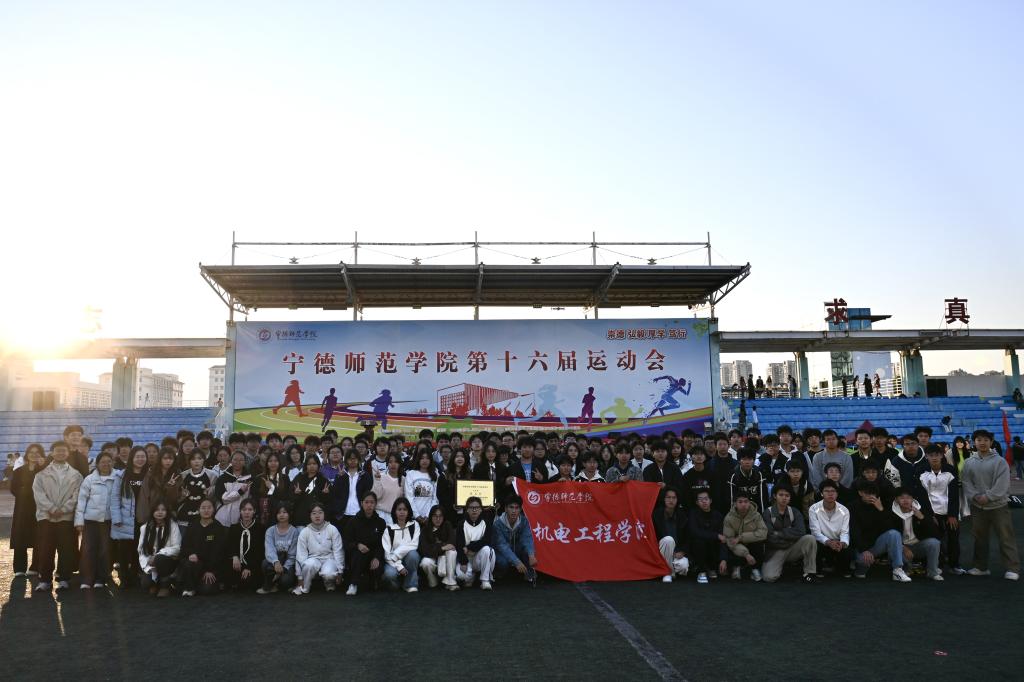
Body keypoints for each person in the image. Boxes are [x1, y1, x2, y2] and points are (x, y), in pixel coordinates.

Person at [961, 429, 1020, 580]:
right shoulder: (969, 462)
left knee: (1006, 537)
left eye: (986, 440)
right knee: (979, 538)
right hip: (977, 507)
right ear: (974, 442)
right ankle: (980, 567)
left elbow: (1002, 484)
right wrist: (975, 496)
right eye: (979, 440)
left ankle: (1012, 569)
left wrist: (988, 497)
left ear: (991, 442)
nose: (982, 443)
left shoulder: (1000, 461)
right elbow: (966, 482)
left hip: (998, 506)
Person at [32, 441, 83, 592]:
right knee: (45, 550)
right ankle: (44, 580)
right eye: (57, 450)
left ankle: (64, 579)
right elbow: (38, 494)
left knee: (66, 549)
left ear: (68, 453)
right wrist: (52, 508)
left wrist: (64, 509)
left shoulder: (76, 475)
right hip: (46, 517)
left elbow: (77, 496)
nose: (61, 453)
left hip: (66, 518)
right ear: (52, 453)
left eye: (63, 451)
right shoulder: (41, 474)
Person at [850, 481, 911, 582]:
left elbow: (890, 528)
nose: (871, 496)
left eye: (873, 494)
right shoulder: (852, 507)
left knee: (894, 534)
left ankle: (897, 569)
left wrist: (881, 509)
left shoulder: (879, 505)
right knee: (862, 569)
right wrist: (863, 549)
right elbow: (853, 531)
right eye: (867, 493)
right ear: (860, 493)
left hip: (875, 545)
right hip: (859, 547)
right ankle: (859, 570)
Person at [74, 451, 117, 589]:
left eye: (109, 461)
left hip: (108, 521)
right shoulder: (89, 479)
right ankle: (86, 579)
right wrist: (79, 521)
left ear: (113, 462)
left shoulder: (118, 478)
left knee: (105, 551)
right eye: (103, 462)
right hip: (91, 521)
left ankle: (100, 578)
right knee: (88, 550)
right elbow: (81, 501)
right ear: (97, 464)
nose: (106, 464)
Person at [919, 443, 963, 574]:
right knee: (934, 538)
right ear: (926, 456)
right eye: (931, 455)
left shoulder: (950, 470)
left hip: (949, 511)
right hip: (931, 512)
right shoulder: (920, 470)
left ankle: (954, 565)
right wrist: (929, 515)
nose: (934, 458)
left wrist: (952, 514)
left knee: (953, 539)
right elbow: (922, 496)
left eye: (937, 455)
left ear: (942, 455)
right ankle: (936, 564)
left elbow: (954, 494)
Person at [761, 485, 818, 583]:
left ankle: (809, 573)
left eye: (787, 495)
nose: (784, 498)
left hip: (792, 547)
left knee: (810, 538)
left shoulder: (794, 511)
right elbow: (769, 536)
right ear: (775, 496)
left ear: (790, 497)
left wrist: (779, 533)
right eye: (781, 495)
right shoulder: (768, 512)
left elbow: (801, 531)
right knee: (768, 578)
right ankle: (780, 567)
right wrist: (790, 534)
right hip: (775, 550)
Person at [891, 488, 943, 581]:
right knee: (897, 553)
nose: (905, 500)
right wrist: (903, 547)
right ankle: (905, 569)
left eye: (908, 498)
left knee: (934, 543)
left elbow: (935, 533)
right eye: (902, 498)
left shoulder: (920, 510)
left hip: (918, 545)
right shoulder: (892, 512)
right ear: (896, 500)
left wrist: (922, 518)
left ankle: (932, 572)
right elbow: (890, 535)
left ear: (912, 499)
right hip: (900, 547)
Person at [179, 498, 227, 597]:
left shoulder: (218, 527)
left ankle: (200, 584)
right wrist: (191, 553)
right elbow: (184, 547)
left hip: (212, 567)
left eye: (209, 508)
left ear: (213, 509)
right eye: (203, 508)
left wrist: (209, 570)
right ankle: (190, 588)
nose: (206, 510)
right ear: (198, 510)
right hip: (195, 564)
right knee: (188, 563)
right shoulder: (192, 526)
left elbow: (219, 552)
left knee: (206, 590)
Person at [294, 502, 345, 594]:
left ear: (324, 514)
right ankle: (305, 586)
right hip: (313, 559)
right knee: (308, 565)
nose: (317, 516)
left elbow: (338, 551)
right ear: (310, 515)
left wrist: (340, 571)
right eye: (314, 513)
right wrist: (299, 577)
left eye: (320, 512)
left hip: (329, 559)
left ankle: (329, 583)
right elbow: (300, 555)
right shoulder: (305, 532)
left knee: (329, 573)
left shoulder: (332, 529)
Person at [10, 443, 44, 577]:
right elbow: (14, 488)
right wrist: (25, 492)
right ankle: (19, 568)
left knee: (39, 537)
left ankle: (36, 566)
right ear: (27, 454)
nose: (34, 454)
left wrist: (26, 489)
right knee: (20, 536)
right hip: (22, 508)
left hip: (39, 507)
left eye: (37, 452)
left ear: (41, 454)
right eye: (31, 452)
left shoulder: (44, 470)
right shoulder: (19, 471)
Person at [344, 491, 387, 595]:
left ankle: (374, 581)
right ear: (361, 503)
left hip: (374, 554)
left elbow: (383, 544)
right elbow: (346, 542)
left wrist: (377, 557)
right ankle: (353, 584)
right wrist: (357, 545)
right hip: (358, 554)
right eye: (366, 502)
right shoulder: (353, 521)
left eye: (372, 502)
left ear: (375, 504)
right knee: (357, 555)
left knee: (377, 568)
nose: (369, 505)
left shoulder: (381, 522)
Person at [808, 480, 852, 579]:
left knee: (847, 548)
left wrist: (842, 543)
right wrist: (828, 542)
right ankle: (818, 569)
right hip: (822, 542)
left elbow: (845, 532)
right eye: (827, 491)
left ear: (837, 494)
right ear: (821, 493)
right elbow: (815, 532)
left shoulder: (844, 510)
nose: (830, 494)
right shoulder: (813, 509)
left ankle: (842, 568)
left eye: (833, 491)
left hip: (838, 541)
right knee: (814, 544)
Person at [493, 493, 538, 586]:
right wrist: (517, 562)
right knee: (503, 563)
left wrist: (531, 555)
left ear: (520, 509)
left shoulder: (524, 521)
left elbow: (527, 538)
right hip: (502, 552)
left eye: (517, 508)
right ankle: (499, 573)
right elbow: (502, 546)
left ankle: (529, 573)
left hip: (516, 549)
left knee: (528, 552)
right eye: (511, 507)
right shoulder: (497, 524)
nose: (514, 511)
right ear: (505, 509)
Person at [137, 501, 181, 597]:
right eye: (157, 510)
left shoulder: (172, 525)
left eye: (163, 510)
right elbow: (141, 550)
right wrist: (148, 566)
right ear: (152, 511)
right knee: (145, 583)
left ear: (167, 512)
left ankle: (165, 586)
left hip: (168, 560)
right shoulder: (145, 528)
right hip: (150, 562)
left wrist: (157, 556)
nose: (160, 512)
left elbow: (177, 548)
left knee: (160, 559)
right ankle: (155, 584)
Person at [723, 490, 768, 581]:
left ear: (749, 503)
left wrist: (741, 537)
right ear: (735, 504)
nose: (743, 504)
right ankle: (736, 567)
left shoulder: (756, 515)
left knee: (759, 544)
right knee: (730, 545)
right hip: (738, 548)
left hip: (751, 543)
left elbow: (763, 532)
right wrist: (746, 554)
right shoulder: (729, 518)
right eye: (740, 502)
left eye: (746, 501)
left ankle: (755, 569)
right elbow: (730, 540)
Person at [258, 502, 299, 595]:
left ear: (289, 514)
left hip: (288, 563)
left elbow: (293, 555)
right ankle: (270, 584)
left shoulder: (294, 531)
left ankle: (279, 584)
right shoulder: (270, 530)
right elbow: (269, 549)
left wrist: (284, 568)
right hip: (274, 562)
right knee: (265, 563)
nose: (282, 515)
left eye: (284, 512)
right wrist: (276, 562)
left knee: (285, 581)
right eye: (279, 512)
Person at [381, 497, 421, 592]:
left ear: (408, 511)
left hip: (406, 559)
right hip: (392, 561)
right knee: (390, 574)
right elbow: (387, 554)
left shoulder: (414, 525)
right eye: (399, 509)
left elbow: (414, 545)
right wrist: (399, 566)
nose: (402, 512)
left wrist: (396, 554)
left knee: (413, 555)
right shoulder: (388, 529)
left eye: (404, 509)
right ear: (395, 512)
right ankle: (398, 583)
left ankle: (410, 584)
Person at [456, 496, 496, 590]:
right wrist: (463, 562)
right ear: (467, 510)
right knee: (462, 576)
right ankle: (471, 575)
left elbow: (486, 541)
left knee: (488, 550)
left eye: (477, 507)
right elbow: (459, 544)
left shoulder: (486, 523)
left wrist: (469, 547)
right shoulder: (461, 524)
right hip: (467, 557)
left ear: (481, 509)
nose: (474, 510)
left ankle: (485, 580)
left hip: (479, 557)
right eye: (471, 507)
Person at [687, 490, 726, 584]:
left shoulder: (718, 515)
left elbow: (723, 538)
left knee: (718, 541)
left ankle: (712, 568)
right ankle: (701, 572)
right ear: (697, 502)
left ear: (710, 500)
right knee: (699, 541)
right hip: (698, 548)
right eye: (700, 499)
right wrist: (715, 535)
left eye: (706, 499)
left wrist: (723, 559)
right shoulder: (693, 514)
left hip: (713, 549)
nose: (704, 501)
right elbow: (694, 532)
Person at [226, 499, 264, 591]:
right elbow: (230, 546)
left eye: (250, 509)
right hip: (237, 564)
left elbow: (260, 551)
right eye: (244, 509)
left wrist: (249, 567)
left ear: (254, 511)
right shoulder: (233, 528)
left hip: (253, 565)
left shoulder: (260, 528)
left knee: (248, 584)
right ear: (240, 511)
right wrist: (234, 556)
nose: (247, 512)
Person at [419, 504, 459, 591]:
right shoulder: (425, 529)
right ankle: (432, 580)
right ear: (431, 516)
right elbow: (424, 550)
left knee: (452, 552)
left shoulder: (447, 525)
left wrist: (436, 548)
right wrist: (442, 548)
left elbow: (452, 543)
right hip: (432, 557)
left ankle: (450, 581)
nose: (438, 519)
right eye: (435, 516)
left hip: (445, 557)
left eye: (440, 516)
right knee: (425, 563)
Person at [331, 451, 374, 531]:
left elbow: (368, 493)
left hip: (360, 512)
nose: (352, 460)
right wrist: (339, 478)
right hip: (343, 514)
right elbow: (335, 494)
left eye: (355, 458)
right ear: (346, 460)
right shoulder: (341, 475)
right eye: (350, 459)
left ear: (359, 460)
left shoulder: (365, 475)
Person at [653, 487, 689, 582]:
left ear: (677, 500)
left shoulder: (682, 515)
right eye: (668, 497)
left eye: (674, 498)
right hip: (661, 551)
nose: (671, 500)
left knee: (683, 566)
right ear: (664, 499)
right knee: (668, 539)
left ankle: (667, 570)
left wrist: (683, 551)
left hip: (676, 552)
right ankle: (667, 573)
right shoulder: (656, 514)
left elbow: (688, 537)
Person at [176, 451, 216, 528]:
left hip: (205, 513)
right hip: (185, 513)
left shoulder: (212, 475)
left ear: (204, 460)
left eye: (199, 458)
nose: (196, 461)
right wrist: (182, 496)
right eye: (193, 459)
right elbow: (177, 498)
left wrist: (209, 494)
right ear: (189, 461)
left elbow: (214, 497)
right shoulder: (183, 475)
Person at [214, 451, 254, 527]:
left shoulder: (250, 479)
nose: (238, 462)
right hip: (223, 518)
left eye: (241, 460)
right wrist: (240, 492)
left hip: (243, 517)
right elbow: (223, 499)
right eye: (235, 459)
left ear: (245, 462)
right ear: (231, 461)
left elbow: (252, 499)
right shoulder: (222, 478)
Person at [291, 456, 331, 527]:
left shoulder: (323, 480)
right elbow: (291, 497)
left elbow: (327, 501)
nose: (312, 466)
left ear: (318, 465)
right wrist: (296, 493)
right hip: (301, 518)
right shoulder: (299, 478)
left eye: (314, 463)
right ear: (305, 465)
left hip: (318, 519)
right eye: (309, 464)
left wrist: (325, 494)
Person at [255, 452, 292, 526]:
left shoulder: (285, 478)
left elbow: (286, 497)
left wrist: (272, 487)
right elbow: (256, 497)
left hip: (279, 513)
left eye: (275, 461)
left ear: (279, 463)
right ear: (267, 463)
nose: (273, 463)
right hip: (263, 513)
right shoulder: (259, 478)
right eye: (270, 461)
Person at [405, 450, 439, 525]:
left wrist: (428, 515)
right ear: (418, 459)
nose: (425, 461)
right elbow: (409, 496)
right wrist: (416, 515)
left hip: (429, 517)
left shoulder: (435, 475)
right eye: (422, 458)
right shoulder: (411, 474)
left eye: (427, 458)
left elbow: (435, 498)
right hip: (413, 517)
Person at [729, 448, 768, 512]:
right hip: (739, 511)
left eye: (750, 459)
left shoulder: (759, 473)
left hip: (756, 511)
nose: (747, 462)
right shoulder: (733, 476)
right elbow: (731, 499)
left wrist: (762, 514)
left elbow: (762, 498)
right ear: (739, 461)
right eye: (744, 459)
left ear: (753, 461)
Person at [371, 453, 405, 525]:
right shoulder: (381, 476)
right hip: (379, 514)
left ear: (399, 464)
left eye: (396, 462)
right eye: (390, 462)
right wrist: (377, 480)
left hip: (395, 516)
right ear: (387, 464)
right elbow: (376, 496)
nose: (393, 464)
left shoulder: (404, 480)